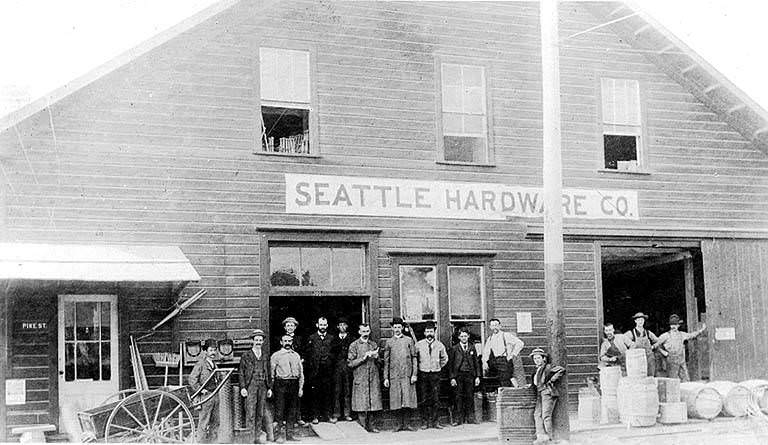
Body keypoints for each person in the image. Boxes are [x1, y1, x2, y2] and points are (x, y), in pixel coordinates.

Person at [383, 317, 418, 431]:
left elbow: (414, 358)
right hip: (394, 376)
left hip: (407, 375)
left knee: (407, 400)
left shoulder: (408, 340)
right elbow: (386, 361)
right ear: (392, 328)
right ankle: (398, 425)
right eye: (395, 327)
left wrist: (414, 374)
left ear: (402, 328)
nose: (397, 329)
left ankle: (407, 424)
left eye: (399, 327)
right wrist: (386, 378)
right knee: (396, 400)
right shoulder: (389, 342)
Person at [239, 329, 273, 444]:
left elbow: (268, 372)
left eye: (260, 340)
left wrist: (269, 388)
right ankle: (250, 439)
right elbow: (241, 373)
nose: (258, 342)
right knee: (250, 412)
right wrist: (243, 387)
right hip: (251, 386)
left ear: (263, 342)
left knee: (260, 412)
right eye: (256, 340)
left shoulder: (265, 355)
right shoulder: (246, 355)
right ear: (252, 341)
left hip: (263, 386)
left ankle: (257, 437)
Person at [347, 323, 382, 433]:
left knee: (373, 402)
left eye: (367, 331)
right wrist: (363, 358)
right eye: (363, 331)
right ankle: (361, 427)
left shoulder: (373, 344)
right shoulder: (354, 345)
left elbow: (380, 363)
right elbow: (350, 363)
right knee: (361, 404)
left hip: (372, 377)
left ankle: (372, 426)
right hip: (360, 377)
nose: (366, 333)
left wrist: (377, 358)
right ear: (359, 332)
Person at [270, 334, 304, 443]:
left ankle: (290, 434)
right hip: (281, 384)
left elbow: (301, 373)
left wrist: (300, 388)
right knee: (280, 411)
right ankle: (279, 436)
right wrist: (271, 388)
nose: (287, 343)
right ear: (281, 342)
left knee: (292, 410)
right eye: (285, 341)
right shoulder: (276, 356)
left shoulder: (296, 355)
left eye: (289, 341)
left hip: (294, 384)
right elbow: (272, 374)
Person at [653, 314, 706, 382]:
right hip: (671, 361)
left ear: (678, 325)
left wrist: (701, 330)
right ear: (670, 325)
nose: (673, 326)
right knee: (672, 381)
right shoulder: (665, 336)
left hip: (681, 360)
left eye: (675, 325)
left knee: (685, 379)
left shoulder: (682, 334)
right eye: (672, 325)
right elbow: (655, 346)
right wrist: (664, 352)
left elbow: (691, 335)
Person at [415, 322, 448, 429]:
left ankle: (435, 422)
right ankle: (425, 422)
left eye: (431, 331)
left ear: (434, 332)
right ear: (424, 333)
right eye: (427, 331)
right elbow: (415, 358)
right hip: (423, 374)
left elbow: (445, 358)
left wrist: (437, 366)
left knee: (435, 398)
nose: (429, 333)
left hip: (435, 374)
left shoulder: (439, 345)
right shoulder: (419, 344)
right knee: (424, 398)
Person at [529, 348, 565, 445]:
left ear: (544, 358)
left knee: (546, 416)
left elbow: (561, 370)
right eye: (534, 358)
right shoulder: (536, 370)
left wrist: (552, 380)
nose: (536, 360)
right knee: (537, 415)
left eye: (538, 358)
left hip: (547, 393)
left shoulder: (547, 367)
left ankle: (550, 438)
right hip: (539, 394)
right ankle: (541, 437)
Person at [189, 338, 220, 443]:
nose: (213, 353)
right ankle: (201, 442)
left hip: (215, 396)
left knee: (216, 422)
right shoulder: (200, 364)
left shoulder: (215, 365)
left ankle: (213, 442)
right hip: (206, 397)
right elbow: (192, 379)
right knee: (204, 422)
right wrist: (200, 390)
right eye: (211, 350)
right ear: (205, 351)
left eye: (215, 350)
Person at [449, 327, 481, 426]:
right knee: (458, 397)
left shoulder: (472, 347)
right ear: (459, 337)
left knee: (469, 396)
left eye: (465, 336)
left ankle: (470, 418)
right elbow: (451, 364)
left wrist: (477, 376)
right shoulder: (454, 348)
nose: (464, 338)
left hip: (470, 375)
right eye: (462, 336)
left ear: (468, 336)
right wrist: (452, 378)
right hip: (458, 375)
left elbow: (476, 363)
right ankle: (458, 419)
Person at [305, 317, 335, 424]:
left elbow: (334, 353)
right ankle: (315, 416)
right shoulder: (312, 338)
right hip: (315, 371)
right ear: (317, 325)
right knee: (315, 394)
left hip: (327, 371)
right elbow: (308, 355)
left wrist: (328, 359)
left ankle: (328, 415)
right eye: (321, 325)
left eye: (324, 325)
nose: (323, 327)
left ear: (327, 326)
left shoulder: (331, 338)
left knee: (327, 393)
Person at [481, 318, 525, 387]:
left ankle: (508, 395)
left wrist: (513, 354)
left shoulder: (506, 335)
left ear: (500, 326)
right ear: (490, 327)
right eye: (492, 326)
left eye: (496, 325)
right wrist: (484, 362)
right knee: (497, 382)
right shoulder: (490, 338)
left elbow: (520, 343)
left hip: (504, 361)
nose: (494, 327)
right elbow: (486, 352)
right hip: (495, 362)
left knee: (505, 381)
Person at [281, 316, 306, 426]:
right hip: (285, 370)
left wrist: (301, 359)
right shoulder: (281, 339)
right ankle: (287, 419)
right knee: (286, 397)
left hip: (296, 368)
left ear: (295, 327)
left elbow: (304, 351)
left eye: (292, 325)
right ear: (285, 327)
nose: (290, 327)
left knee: (298, 395)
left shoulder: (300, 339)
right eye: (288, 325)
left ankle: (298, 417)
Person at [330, 317, 354, 423]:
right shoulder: (333, 339)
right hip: (337, 368)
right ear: (337, 327)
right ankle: (336, 414)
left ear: (347, 326)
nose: (342, 327)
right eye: (340, 325)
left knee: (347, 390)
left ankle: (347, 413)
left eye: (344, 325)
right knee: (337, 391)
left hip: (348, 368)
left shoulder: (352, 339)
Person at [625, 312, 660, 377]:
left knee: (650, 376)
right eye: (638, 320)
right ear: (635, 321)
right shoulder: (631, 333)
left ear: (644, 321)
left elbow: (658, 341)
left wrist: (653, 346)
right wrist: (631, 347)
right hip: (637, 359)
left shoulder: (648, 332)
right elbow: (623, 341)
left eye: (642, 320)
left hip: (649, 358)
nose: (640, 321)